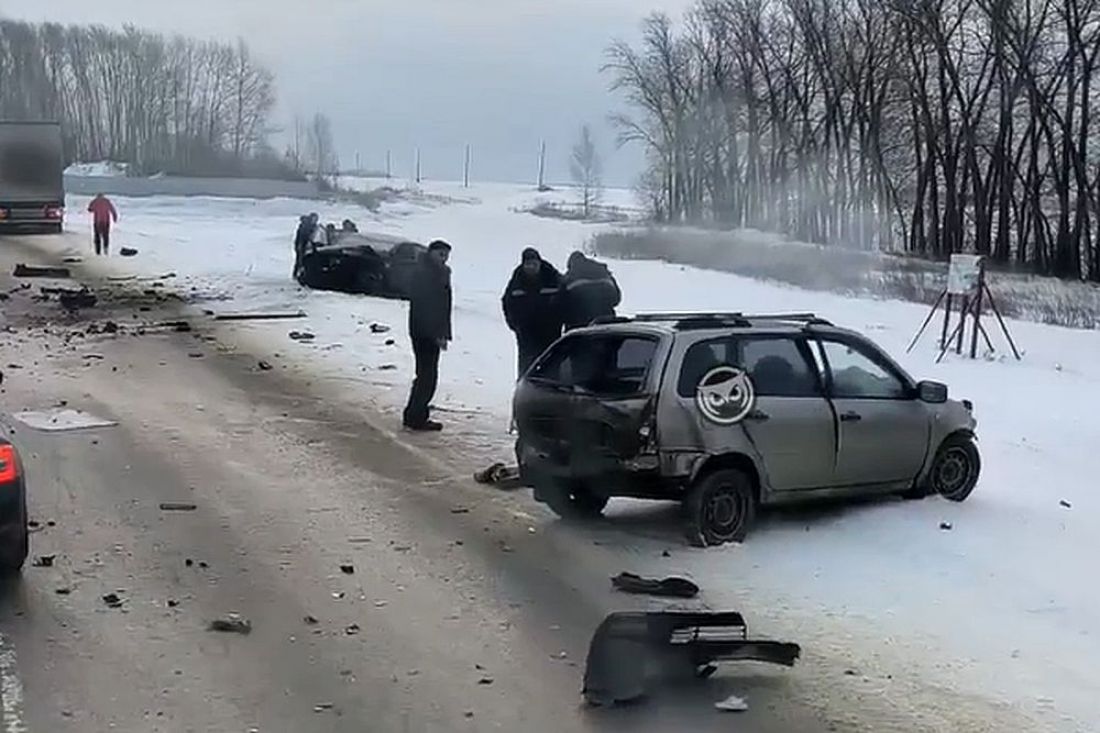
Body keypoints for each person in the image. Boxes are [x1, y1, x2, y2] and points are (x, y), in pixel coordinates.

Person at [402, 239, 453, 432]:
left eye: (446, 255)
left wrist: (444, 333)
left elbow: (445, 306)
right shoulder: (425, 272)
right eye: (440, 254)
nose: (444, 258)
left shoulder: (439, 272)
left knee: (426, 374)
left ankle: (415, 413)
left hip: (430, 329)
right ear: (431, 253)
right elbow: (429, 305)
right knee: (427, 375)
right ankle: (415, 416)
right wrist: (436, 333)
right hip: (424, 330)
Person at [502, 247, 562, 377]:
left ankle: (551, 393)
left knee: (551, 364)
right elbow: (507, 301)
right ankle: (525, 391)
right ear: (523, 265)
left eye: (534, 264)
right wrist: (513, 323)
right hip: (526, 332)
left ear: (540, 263)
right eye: (528, 264)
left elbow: (566, 298)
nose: (531, 267)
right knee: (526, 366)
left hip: (550, 331)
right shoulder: (517, 280)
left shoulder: (552, 277)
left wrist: (560, 319)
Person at [560, 251, 621, 330]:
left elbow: (561, 305)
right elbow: (616, 299)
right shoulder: (604, 272)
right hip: (606, 325)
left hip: (579, 327)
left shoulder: (569, 278)